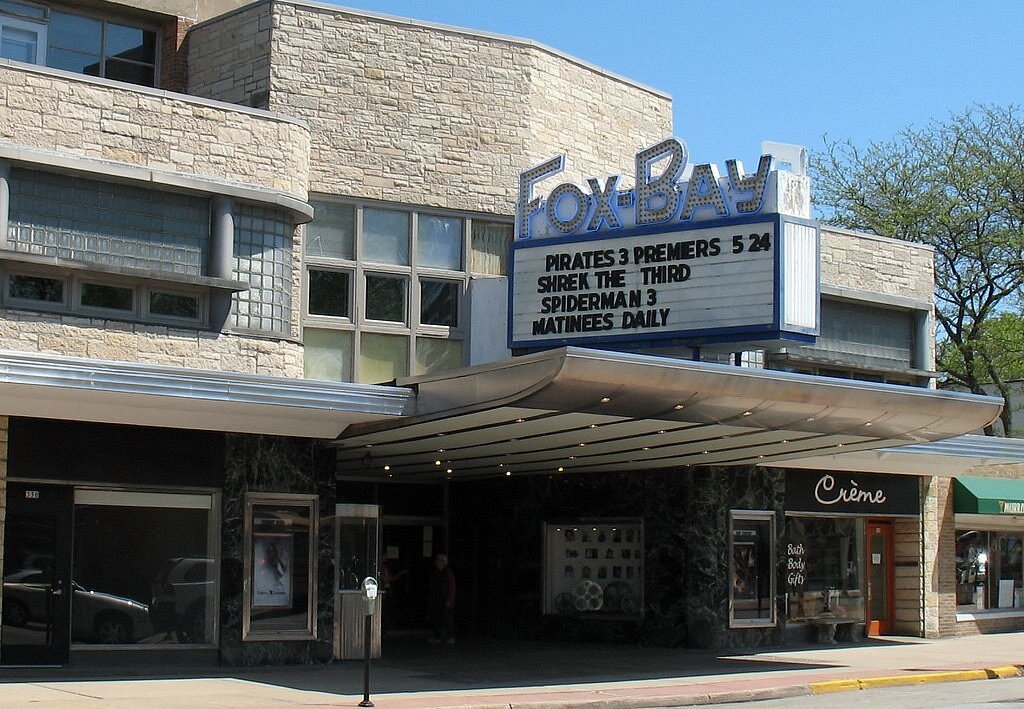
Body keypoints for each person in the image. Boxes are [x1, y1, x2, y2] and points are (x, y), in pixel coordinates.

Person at [428, 553, 456, 644]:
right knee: (437, 618)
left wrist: (449, 599)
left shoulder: (448, 572)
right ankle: (438, 636)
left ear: (443, 562)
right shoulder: (435, 572)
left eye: (439, 561)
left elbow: (451, 587)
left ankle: (450, 636)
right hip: (437, 599)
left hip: (446, 599)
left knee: (447, 618)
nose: (437, 562)